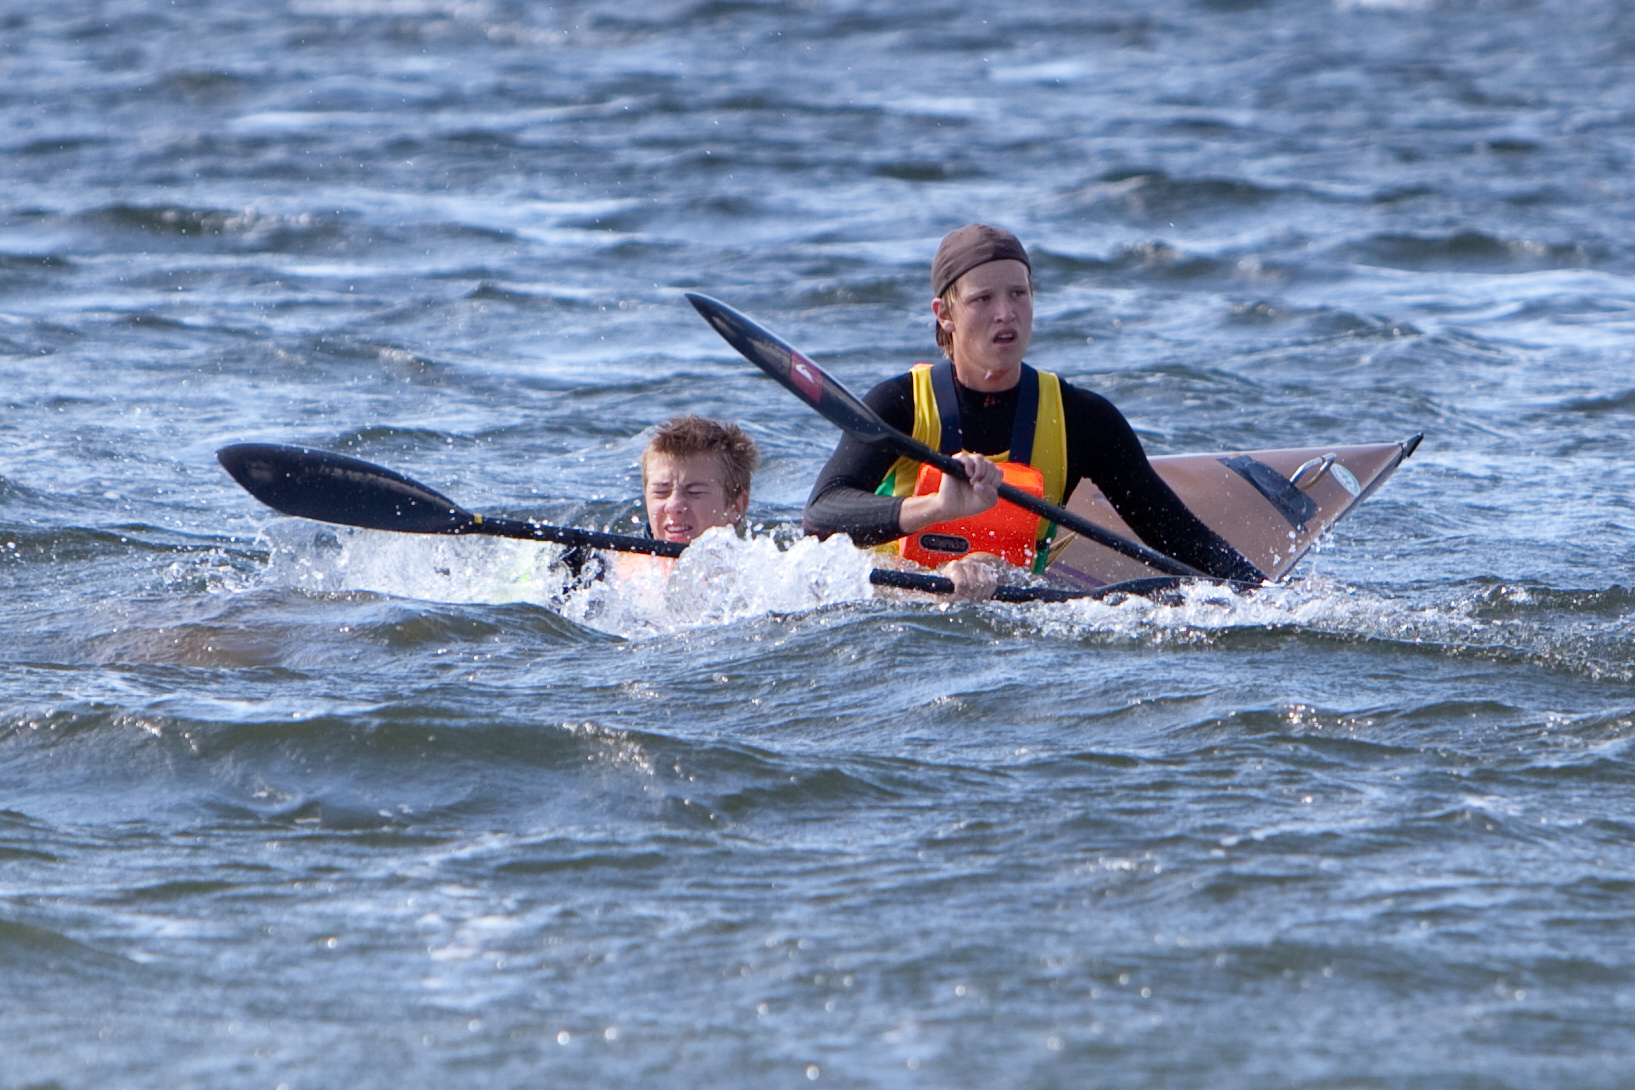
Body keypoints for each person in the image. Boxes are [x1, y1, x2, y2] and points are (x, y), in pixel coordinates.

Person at [802, 223, 1264, 600]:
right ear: (945, 314)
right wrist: (937, 507)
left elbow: (1179, 536)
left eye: (1018, 294)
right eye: (983, 299)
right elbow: (821, 515)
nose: (1006, 313)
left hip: (1021, 629)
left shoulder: (1083, 420)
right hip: (896, 613)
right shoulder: (898, 405)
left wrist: (1273, 597)